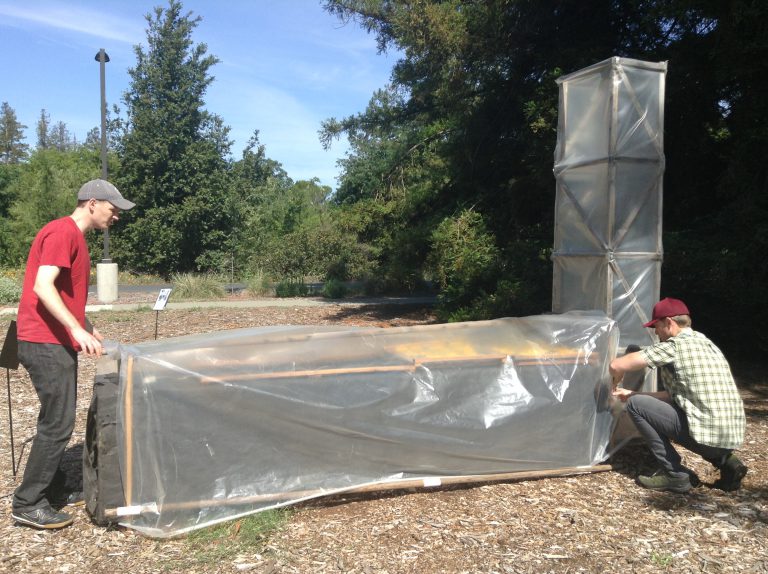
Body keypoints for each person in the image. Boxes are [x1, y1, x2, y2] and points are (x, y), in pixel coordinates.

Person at [11, 179, 135, 529]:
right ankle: (28, 501)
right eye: (113, 209)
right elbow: (42, 286)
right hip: (43, 341)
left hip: (53, 340)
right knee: (58, 422)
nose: (116, 217)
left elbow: (63, 297)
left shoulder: (72, 236)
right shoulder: (63, 232)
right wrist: (75, 330)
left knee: (56, 418)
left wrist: (87, 326)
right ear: (92, 203)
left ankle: (48, 485)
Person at [611, 297, 747, 494]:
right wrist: (635, 392)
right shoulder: (706, 343)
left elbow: (616, 365)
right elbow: (678, 394)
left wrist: (616, 381)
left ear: (669, 322)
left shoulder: (675, 346)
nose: (655, 332)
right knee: (639, 399)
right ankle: (728, 463)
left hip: (707, 438)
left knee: (635, 405)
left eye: (656, 326)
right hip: (729, 436)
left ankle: (675, 475)